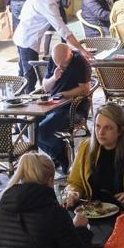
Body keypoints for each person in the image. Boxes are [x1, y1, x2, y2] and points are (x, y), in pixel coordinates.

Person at [13, 0, 90, 92]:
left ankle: (17, 103)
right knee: (29, 78)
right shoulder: (46, 0)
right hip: (28, 40)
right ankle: (27, 107)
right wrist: (82, 50)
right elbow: (62, 29)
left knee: (23, 75)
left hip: (23, 35)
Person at [64, 104, 124, 209]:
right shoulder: (86, 148)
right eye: (98, 126)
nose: (101, 133)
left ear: (120, 130)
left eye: (108, 128)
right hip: (93, 211)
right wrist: (73, 193)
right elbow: (75, 182)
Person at [36, 43, 93, 172]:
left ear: (70, 55)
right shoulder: (55, 60)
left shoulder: (80, 62)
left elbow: (85, 89)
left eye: (63, 64)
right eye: (58, 64)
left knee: (40, 130)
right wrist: (54, 77)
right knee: (25, 125)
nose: (60, 66)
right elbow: (46, 87)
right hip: (52, 105)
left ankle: (61, 155)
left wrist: (64, 95)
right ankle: (58, 153)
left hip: (74, 108)